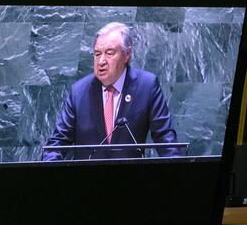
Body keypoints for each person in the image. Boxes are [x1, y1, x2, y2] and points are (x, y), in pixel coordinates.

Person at [43, 22, 178, 161]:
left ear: (127, 54)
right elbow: (57, 143)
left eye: (109, 53)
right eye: (97, 54)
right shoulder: (78, 92)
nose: (101, 61)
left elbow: (166, 138)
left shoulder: (147, 86)